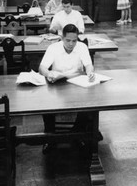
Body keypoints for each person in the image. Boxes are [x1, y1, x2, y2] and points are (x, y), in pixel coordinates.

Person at [38, 23, 95, 153]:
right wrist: (48, 74)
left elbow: (88, 65)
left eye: (74, 41)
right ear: (62, 38)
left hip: (76, 82)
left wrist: (90, 72)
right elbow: (42, 68)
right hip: (57, 83)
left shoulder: (82, 47)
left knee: (89, 103)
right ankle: (49, 135)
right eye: (68, 40)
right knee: (46, 103)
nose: (71, 44)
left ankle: (77, 132)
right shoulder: (53, 47)